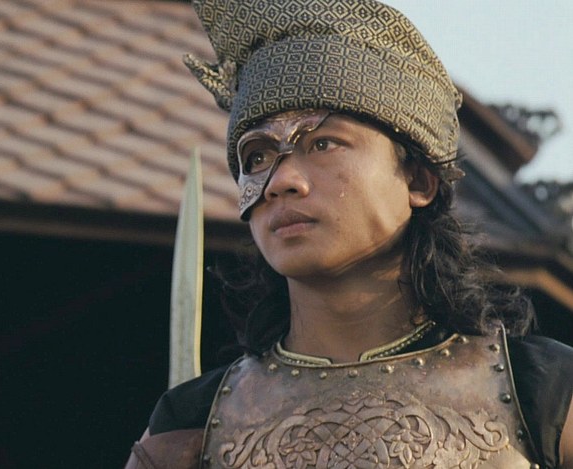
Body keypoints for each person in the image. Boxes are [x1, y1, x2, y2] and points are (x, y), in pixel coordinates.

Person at [124, 0, 573, 468]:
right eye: (257, 156)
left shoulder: (542, 394)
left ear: (418, 181)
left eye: (323, 144)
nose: (280, 181)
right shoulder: (189, 424)